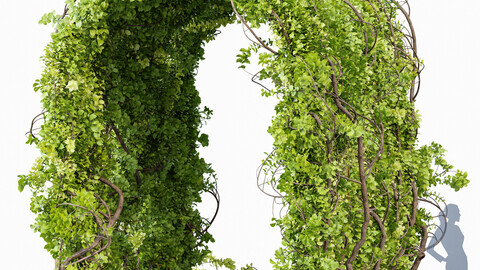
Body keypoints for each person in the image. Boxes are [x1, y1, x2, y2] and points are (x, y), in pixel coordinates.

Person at [427, 204, 468, 269]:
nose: (459, 214)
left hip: (462, 260)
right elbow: (429, 249)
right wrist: (442, 259)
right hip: (453, 262)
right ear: (452, 214)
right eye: (458, 212)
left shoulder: (456, 228)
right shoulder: (442, 229)